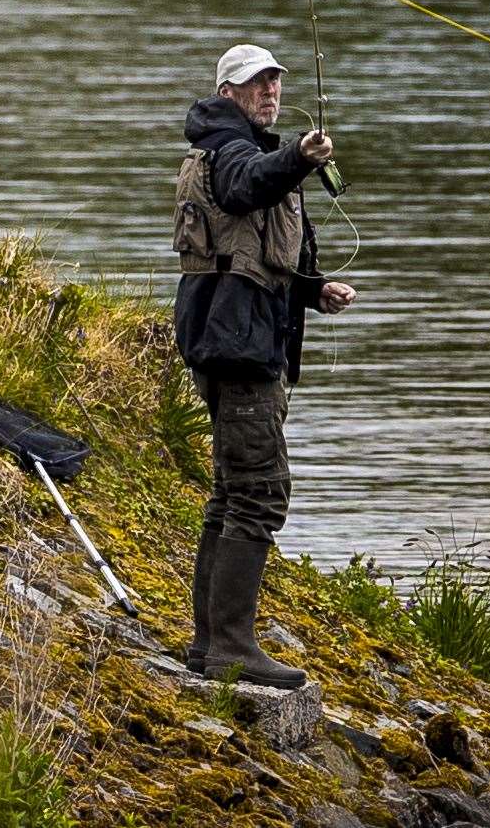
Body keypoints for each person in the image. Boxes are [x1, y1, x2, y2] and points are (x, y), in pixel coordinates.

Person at [172, 43, 357, 687]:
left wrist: (312, 290)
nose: (270, 92)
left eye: (275, 82)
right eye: (256, 84)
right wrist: (298, 157)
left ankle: (209, 643)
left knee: (229, 494)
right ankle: (230, 646)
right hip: (237, 346)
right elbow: (245, 186)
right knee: (259, 492)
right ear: (228, 92)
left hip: (236, 336)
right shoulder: (231, 151)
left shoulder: (242, 147)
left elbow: (249, 256)